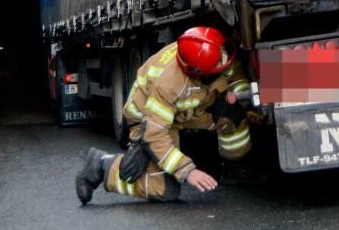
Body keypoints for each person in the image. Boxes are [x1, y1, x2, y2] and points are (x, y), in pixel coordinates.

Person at [75, 26, 253, 204]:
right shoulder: (167, 84)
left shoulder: (208, 53)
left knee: (231, 113)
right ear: (198, 72)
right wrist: (187, 171)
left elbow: (233, 73)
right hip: (148, 121)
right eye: (218, 62)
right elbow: (156, 134)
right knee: (165, 189)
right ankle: (103, 165)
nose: (224, 61)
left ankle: (236, 168)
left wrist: (241, 96)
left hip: (183, 111)